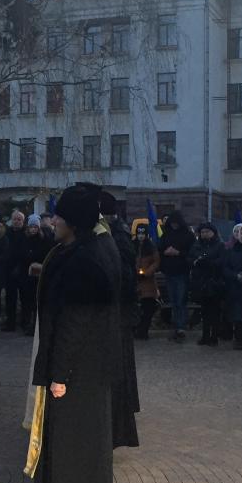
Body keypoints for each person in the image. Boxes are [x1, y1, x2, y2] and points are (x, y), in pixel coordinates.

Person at [28, 183, 121, 483]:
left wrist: (60, 375)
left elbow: (75, 322)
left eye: (59, 217)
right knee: (88, 445)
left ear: (73, 222)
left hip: (78, 371)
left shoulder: (84, 260)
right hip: (91, 367)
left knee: (73, 447)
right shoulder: (92, 248)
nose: (53, 222)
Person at [98, 189, 140, 448]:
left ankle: (123, 412)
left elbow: (125, 273)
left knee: (121, 363)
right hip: (118, 309)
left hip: (119, 309)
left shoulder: (118, 234)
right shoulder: (115, 232)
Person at [188, 222, 226, 347]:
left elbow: (222, 261)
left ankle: (214, 336)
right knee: (204, 311)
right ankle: (205, 336)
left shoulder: (220, 245)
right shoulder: (197, 245)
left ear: (213, 232)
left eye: (207, 231)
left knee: (215, 311)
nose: (204, 234)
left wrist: (209, 262)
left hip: (215, 281)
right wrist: (197, 262)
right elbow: (190, 259)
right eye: (202, 232)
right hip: (201, 282)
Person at [159, 210, 194, 342]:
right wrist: (165, 252)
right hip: (169, 271)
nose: (174, 225)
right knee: (174, 301)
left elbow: (192, 253)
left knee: (180, 300)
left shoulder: (188, 235)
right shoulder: (166, 234)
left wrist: (178, 253)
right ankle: (176, 326)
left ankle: (181, 327)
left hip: (182, 272)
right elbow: (159, 249)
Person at [17, 215, 54, 337]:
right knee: (27, 300)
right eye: (31, 227)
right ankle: (27, 323)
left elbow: (46, 254)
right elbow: (21, 253)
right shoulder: (24, 239)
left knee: (37, 301)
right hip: (26, 273)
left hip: (39, 273)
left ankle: (36, 325)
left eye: (35, 227)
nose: (33, 229)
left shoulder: (44, 239)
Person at [134, 223, 161, 340]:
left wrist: (147, 272)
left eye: (143, 233)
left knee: (148, 308)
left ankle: (143, 331)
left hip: (147, 281)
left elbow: (156, 262)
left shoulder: (151, 247)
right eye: (139, 233)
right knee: (136, 309)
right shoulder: (132, 245)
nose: (140, 236)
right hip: (135, 281)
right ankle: (137, 330)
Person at [3, 210, 27, 331]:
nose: (17, 221)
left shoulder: (27, 234)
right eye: (15, 219)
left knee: (25, 298)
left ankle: (25, 322)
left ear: (23, 221)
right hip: (9, 269)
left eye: (19, 219)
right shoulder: (6, 233)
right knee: (10, 298)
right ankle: (10, 323)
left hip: (23, 270)